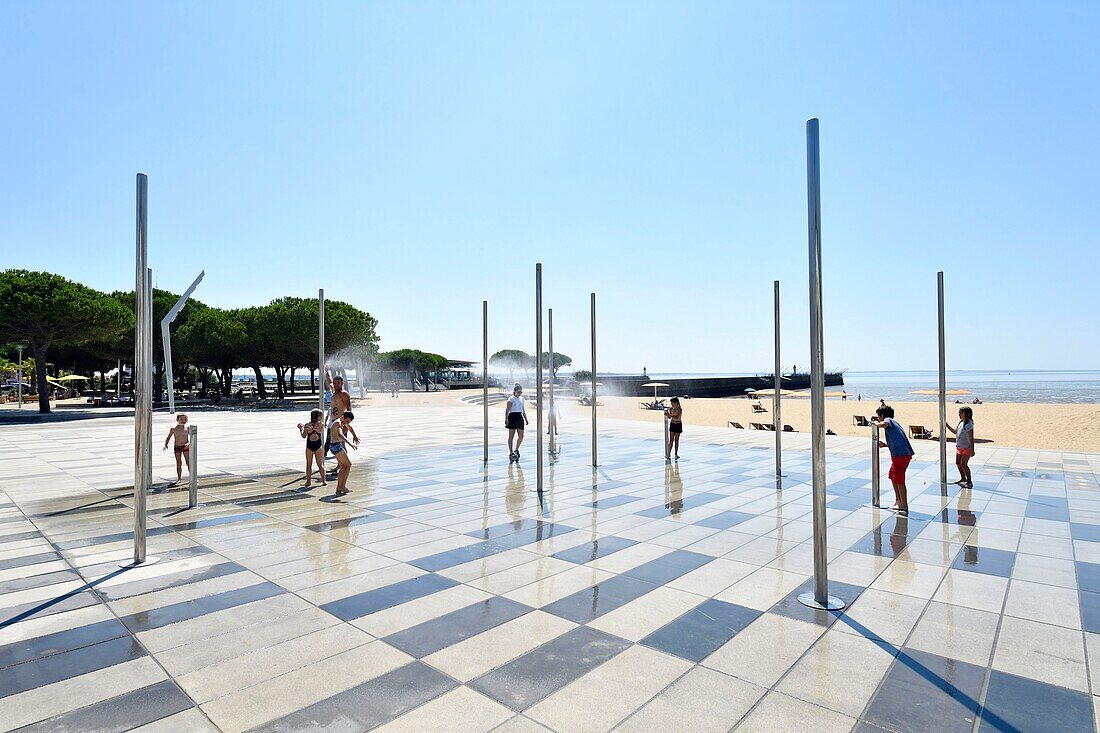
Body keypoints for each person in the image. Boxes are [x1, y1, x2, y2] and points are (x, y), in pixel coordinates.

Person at [872, 404, 915, 516]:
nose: (878, 419)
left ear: (882, 415)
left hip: (900, 455)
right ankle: (898, 501)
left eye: (878, 417)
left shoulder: (888, 420)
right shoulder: (895, 424)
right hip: (902, 454)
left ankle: (903, 505)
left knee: (899, 478)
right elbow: (897, 440)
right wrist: (886, 445)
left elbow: (884, 424)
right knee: (892, 475)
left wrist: (875, 424)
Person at [329, 410, 358, 497]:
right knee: (348, 465)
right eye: (346, 421)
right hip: (336, 446)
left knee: (342, 467)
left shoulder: (342, 421)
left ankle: (339, 488)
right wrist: (350, 444)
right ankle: (343, 487)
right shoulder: (338, 423)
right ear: (342, 417)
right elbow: (341, 434)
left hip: (335, 446)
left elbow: (349, 428)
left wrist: (355, 436)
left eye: (348, 422)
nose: (346, 423)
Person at [297, 409, 327, 488]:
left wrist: (301, 429)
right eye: (321, 415)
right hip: (318, 446)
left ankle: (308, 482)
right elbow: (318, 430)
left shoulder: (308, 425)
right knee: (320, 464)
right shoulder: (321, 424)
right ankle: (324, 481)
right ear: (317, 416)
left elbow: (304, 436)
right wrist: (304, 428)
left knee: (309, 464)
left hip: (309, 446)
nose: (322, 417)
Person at [947, 406, 975, 487]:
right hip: (959, 446)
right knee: (958, 463)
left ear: (967, 414)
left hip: (967, 447)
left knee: (964, 464)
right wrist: (946, 425)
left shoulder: (969, 424)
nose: (959, 414)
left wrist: (972, 450)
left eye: (961, 413)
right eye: (959, 413)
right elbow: (955, 432)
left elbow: (971, 438)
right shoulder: (960, 423)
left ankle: (969, 481)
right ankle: (963, 478)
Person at [162, 413, 191, 484]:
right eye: (181, 419)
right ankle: (179, 478)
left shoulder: (187, 428)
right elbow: (168, 437)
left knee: (188, 462)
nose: (183, 420)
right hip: (177, 447)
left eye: (185, 419)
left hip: (185, 446)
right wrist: (166, 444)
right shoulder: (173, 429)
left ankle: (192, 477)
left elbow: (192, 438)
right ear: (177, 420)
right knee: (178, 462)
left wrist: (189, 443)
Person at [505, 384, 528, 462]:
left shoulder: (522, 399)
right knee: (511, 436)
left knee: (521, 436)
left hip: (519, 416)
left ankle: (516, 449)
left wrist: (526, 418)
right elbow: (507, 410)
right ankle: (511, 452)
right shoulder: (511, 399)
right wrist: (506, 418)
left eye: (521, 392)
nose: (520, 394)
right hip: (512, 416)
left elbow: (523, 409)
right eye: (518, 392)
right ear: (514, 392)